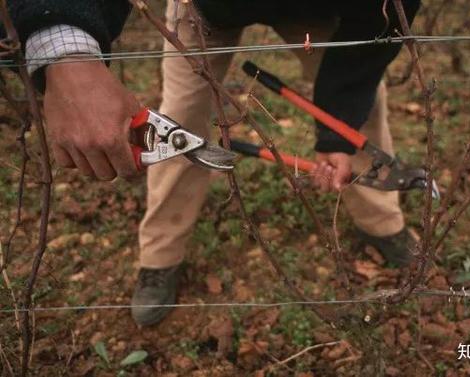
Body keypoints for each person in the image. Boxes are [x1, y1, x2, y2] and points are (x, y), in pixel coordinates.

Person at [7, 0, 421, 326]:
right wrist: (65, 44)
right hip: (205, 7)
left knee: (358, 120)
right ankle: (160, 258)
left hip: (315, 9)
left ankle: (383, 225)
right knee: (180, 119)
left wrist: (338, 122)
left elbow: (378, 23)